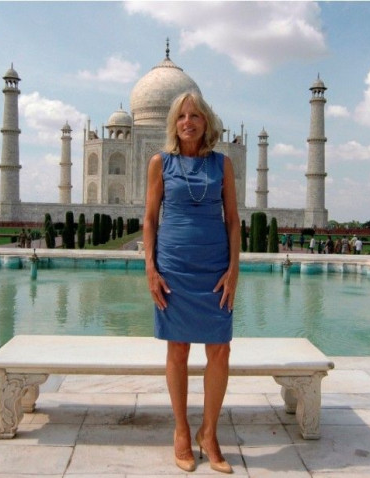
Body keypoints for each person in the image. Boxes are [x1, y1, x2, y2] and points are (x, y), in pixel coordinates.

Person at [143, 91, 239, 474]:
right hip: (174, 267)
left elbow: (233, 220)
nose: (188, 122)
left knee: (220, 351)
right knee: (178, 350)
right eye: (182, 116)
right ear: (173, 122)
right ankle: (182, 430)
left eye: (195, 115)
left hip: (214, 268)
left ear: (206, 122)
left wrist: (234, 268)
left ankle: (209, 433)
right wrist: (151, 268)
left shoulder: (223, 165)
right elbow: (149, 220)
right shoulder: (159, 163)